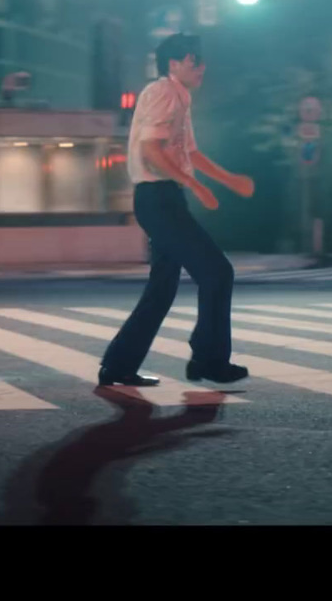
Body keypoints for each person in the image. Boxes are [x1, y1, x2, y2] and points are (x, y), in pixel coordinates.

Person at [98, 33, 254, 388]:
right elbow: (152, 150)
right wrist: (197, 185)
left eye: (200, 59)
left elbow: (190, 153)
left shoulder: (179, 96)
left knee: (163, 288)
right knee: (217, 272)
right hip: (158, 199)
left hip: (165, 198)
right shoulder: (162, 93)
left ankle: (118, 366)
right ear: (173, 64)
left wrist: (228, 180)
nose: (201, 67)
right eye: (193, 60)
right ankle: (209, 360)